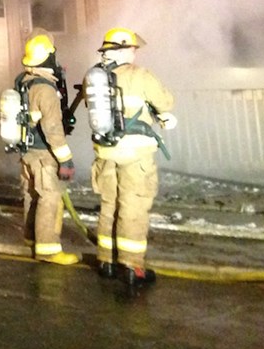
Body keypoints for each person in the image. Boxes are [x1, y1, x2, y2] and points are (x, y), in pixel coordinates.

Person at [87, 27, 177, 289]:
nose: (135, 52)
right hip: (135, 154)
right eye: (133, 48)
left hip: (105, 151)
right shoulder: (141, 76)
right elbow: (166, 102)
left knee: (109, 204)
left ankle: (106, 261)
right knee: (133, 206)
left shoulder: (96, 76)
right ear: (125, 50)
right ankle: (131, 265)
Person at [14, 30, 79, 265]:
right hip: (44, 154)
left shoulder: (24, 82)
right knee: (49, 197)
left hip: (27, 153)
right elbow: (52, 129)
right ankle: (48, 250)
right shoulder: (45, 89)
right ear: (48, 58)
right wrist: (66, 160)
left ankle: (32, 240)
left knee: (32, 196)